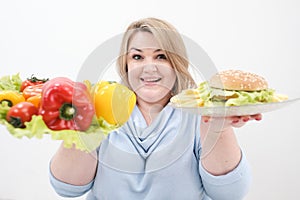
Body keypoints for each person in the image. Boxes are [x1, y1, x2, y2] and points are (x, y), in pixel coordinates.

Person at [49, 17, 262, 200]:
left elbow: (230, 193)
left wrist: (219, 129)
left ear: (176, 64)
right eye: (137, 57)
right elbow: (68, 188)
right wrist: (82, 123)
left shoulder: (199, 113)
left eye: (161, 56)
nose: (149, 66)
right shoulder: (102, 108)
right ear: (126, 65)